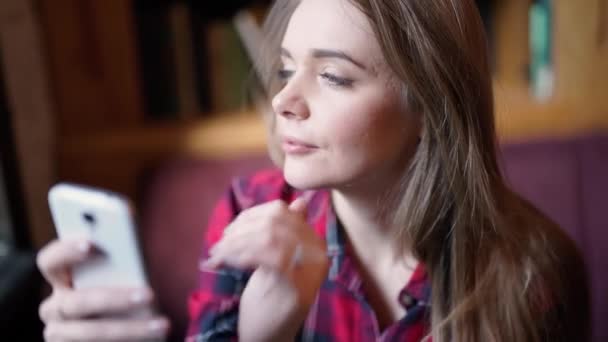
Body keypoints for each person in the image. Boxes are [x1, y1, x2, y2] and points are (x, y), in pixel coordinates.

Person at [37, 0, 590, 341]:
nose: (283, 100)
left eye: (333, 76)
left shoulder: (531, 274)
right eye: (284, 69)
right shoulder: (246, 215)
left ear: (429, 106)